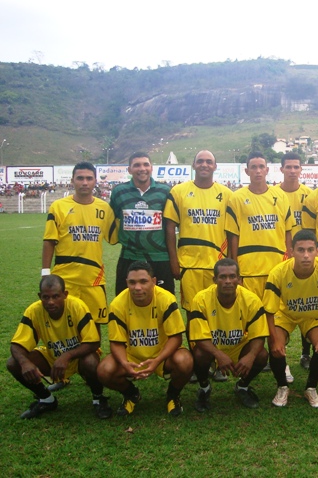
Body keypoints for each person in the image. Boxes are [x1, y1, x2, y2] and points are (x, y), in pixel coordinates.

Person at [7, 275, 111, 419]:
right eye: (45, 297)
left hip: (78, 357)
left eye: (56, 296)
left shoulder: (77, 306)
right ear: (40, 296)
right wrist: (25, 362)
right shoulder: (33, 311)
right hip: (52, 358)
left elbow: (93, 342)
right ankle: (46, 399)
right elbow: (16, 345)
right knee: (13, 363)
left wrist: (66, 356)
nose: (50, 302)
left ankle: (98, 399)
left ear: (65, 295)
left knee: (91, 361)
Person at [97, 261, 193, 417]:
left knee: (185, 361)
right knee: (104, 370)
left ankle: (173, 395)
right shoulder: (117, 304)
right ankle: (131, 394)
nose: (137, 287)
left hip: (162, 356)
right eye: (132, 282)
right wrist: (124, 363)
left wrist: (157, 360)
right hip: (133, 356)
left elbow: (176, 337)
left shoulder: (166, 299)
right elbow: (116, 342)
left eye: (143, 281)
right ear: (126, 282)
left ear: (153, 282)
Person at [263, 230, 318, 407]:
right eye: (300, 250)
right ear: (291, 251)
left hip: (314, 316)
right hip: (286, 315)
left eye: (310, 250)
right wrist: (274, 339)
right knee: (275, 344)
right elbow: (269, 310)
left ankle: (311, 388)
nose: (306, 255)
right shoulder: (278, 272)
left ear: (317, 250)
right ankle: (282, 386)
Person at [42, 161, 117, 328]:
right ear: (72, 180)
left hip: (93, 278)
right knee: (64, 324)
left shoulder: (104, 208)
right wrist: (45, 272)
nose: (85, 182)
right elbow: (49, 241)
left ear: (95, 181)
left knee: (94, 324)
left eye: (89, 178)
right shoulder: (59, 207)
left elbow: (114, 239)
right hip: (65, 278)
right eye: (80, 178)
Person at [188, 258, 269, 411]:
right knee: (199, 354)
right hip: (213, 346)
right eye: (223, 277)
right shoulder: (201, 299)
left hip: (239, 346)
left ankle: (243, 387)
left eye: (232, 276)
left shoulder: (251, 300)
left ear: (239, 279)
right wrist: (218, 354)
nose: (228, 281)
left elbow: (259, 335)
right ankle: (204, 388)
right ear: (214, 279)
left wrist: (250, 357)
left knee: (261, 355)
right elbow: (199, 338)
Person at [164, 150, 232, 311]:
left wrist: (230, 261)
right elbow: (170, 228)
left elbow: (232, 232)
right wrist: (173, 261)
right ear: (193, 165)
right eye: (200, 161)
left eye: (209, 162)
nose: (204, 165)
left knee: (218, 311)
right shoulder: (178, 191)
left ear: (215, 166)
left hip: (217, 265)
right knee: (192, 312)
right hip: (189, 265)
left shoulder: (227, 195)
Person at [225, 153, 294, 299]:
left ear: (267, 170)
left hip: (276, 266)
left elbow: (288, 232)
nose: (258, 171)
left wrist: (289, 261)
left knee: (276, 315)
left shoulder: (280, 197)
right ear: (246, 171)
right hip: (249, 269)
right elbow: (233, 236)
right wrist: (235, 267)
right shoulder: (236, 198)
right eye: (254, 167)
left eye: (261, 167)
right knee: (251, 314)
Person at [110, 152, 173, 295]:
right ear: (129, 169)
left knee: (164, 303)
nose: (142, 168)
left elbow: (171, 224)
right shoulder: (119, 192)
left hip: (160, 257)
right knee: (125, 303)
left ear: (152, 168)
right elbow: (110, 219)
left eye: (146, 164)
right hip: (129, 257)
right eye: (136, 165)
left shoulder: (165, 191)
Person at [278, 152, 315, 372]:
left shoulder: (309, 195)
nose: (292, 170)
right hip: (278, 256)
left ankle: (305, 353)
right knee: (280, 306)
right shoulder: (273, 194)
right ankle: (277, 350)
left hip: (304, 257)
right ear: (281, 169)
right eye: (288, 167)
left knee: (306, 302)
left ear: (301, 170)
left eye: (296, 167)